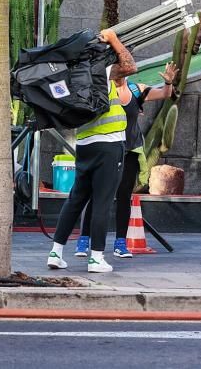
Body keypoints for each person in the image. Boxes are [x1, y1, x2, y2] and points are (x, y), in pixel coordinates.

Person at [47, 28, 136, 273]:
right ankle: (96, 258)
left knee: (76, 199)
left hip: (85, 145)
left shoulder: (73, 75)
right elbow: (129, 66)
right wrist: (115, 41)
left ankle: (56, 252)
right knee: (103, 202)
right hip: (109, 146)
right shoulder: (103, 71)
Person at [76, 61, 179, 259]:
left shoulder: (135, 89)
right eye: (117, 66)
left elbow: (165, 94)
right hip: (106, 149)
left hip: (129, 149)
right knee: (95, 194)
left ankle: (120, 243)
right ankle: (84, 240)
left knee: (124, 195)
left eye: (123, 66)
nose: (120, 70)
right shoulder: (102, 88)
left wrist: (168, 83)